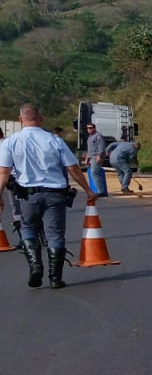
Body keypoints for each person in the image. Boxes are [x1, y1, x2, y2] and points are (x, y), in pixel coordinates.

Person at [0, 104, 97, 289]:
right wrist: (88, 190)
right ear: (41, 118)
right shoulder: (55, 140)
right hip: (55, 196)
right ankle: (55, 278)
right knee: (55, 234)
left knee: (28, 229)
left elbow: (3, 173)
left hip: (28, 196)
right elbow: (73, 168)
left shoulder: (11, 142)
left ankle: (36, 268)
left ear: (20, 119)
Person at [83, 122, 109, 195]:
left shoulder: (98, 136)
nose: (89, 129)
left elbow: (101, 146)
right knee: (94, 173)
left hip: (96, 157)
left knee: (95, 172)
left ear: (94, 128)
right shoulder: (90, 137)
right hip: (91, 157)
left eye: (90, 128)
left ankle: (101, 191)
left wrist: (99, 156)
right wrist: (87, 158)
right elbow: (90, 149)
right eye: (87, 128)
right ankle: (98, 189)